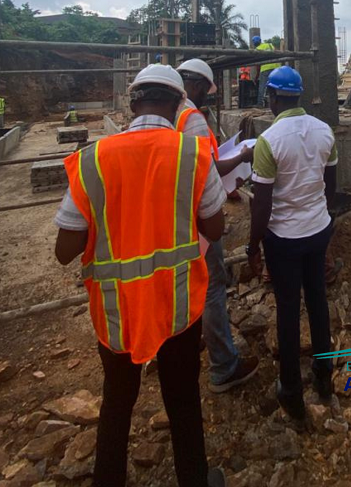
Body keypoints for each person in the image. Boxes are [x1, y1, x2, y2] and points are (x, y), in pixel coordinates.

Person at [54, 64, 227, 487]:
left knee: (117, 401)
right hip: (176, 306)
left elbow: (65, 251)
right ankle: (195, 479)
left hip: (117, 311)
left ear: (132, 103)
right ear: (177, 103)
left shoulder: (93, 159)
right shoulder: (192, 154)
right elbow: (216, 228)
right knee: (183, 400)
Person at [246, 66, 337, 422]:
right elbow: (330, 187)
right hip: (318, 231)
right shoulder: (324, 131)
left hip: (283, 239)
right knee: (317, 301)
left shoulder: (270, 140)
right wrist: (320, 216)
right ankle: (324, 378)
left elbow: (262, 203)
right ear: (298, 95)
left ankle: (291, 391)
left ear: (272, 97)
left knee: (287, 310)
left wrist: (254, 245)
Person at [176, 58, 259, 393]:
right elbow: (207, 167)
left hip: (179, 211)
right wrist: (240, 157)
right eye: (206, 91)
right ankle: (225, 366)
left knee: (190, 281)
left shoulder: (174, 112)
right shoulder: (191, 118)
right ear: (195, 84)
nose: (208, 98)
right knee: (211, 285)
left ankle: (191, 337)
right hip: (200, 213)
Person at [252, 35, 278, 107]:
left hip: (265, 69)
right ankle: (276, 103)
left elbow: (258, 65)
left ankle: (260, 103)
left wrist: (257, 76)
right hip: (276, 68)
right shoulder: (269, 45)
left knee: (262, 86)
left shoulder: (257, 49)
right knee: (274, 86)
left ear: (254, 43)